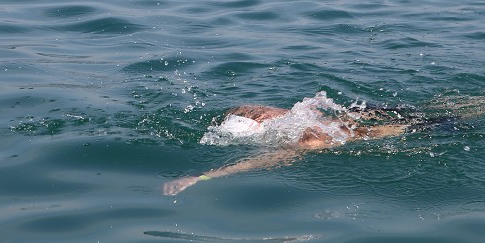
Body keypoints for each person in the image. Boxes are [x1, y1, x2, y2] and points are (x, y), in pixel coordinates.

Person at [162, 94, 430, 196]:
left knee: (452, 117)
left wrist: (202, 176)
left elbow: (259, 162)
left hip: (394, 126)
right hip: (361, 112)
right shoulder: (286, 121)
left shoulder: (307, 142)